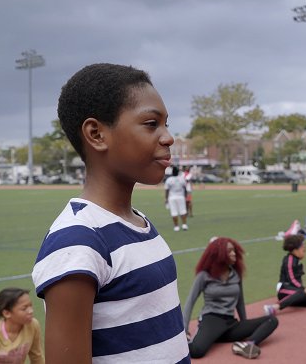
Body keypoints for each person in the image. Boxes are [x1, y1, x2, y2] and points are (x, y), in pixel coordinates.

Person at [31, 63, 190, 363]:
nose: (168, 137)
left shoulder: (139, 223)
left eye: (167, 124)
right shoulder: (77, 242)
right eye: (151, 123)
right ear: (96, 134)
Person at [183, 237, 278, 359]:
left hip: (230, 324)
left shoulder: (236, 275)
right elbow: (190, 302)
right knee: (197, 351)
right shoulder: (204, 276)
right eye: (229, 251)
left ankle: (247, 345)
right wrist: (184, 331)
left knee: (271, 320)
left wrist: (244, 322)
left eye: (234, 250)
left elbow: (240, 301)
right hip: (212, 319)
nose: (234, 254)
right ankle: (181, 343)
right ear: (220, 254)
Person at [165, 165, 188, 231]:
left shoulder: (169, 180)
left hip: (172, 197)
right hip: (181, 197)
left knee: (174, 212)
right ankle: (184, 225)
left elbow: (167, 190)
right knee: (183, 211)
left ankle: (176, 227)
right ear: (178, 172)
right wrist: (185, 196)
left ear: (172, 172)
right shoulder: (182, 179)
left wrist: (166, 199)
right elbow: (185, 188)